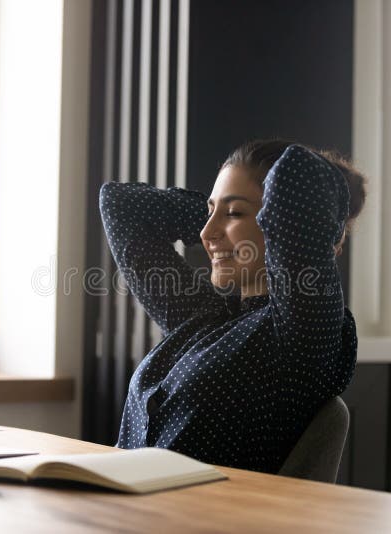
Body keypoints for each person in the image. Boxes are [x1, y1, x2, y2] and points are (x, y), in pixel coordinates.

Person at [99, 139, 367, 473]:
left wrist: (316, 226)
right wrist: (227, 219)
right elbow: (121, 205)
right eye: (210, 214)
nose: (206, 233)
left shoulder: (302, 332)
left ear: (281, 221)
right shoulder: (203, 315)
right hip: (123, 511)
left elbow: (295, 177)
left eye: (235, 213)